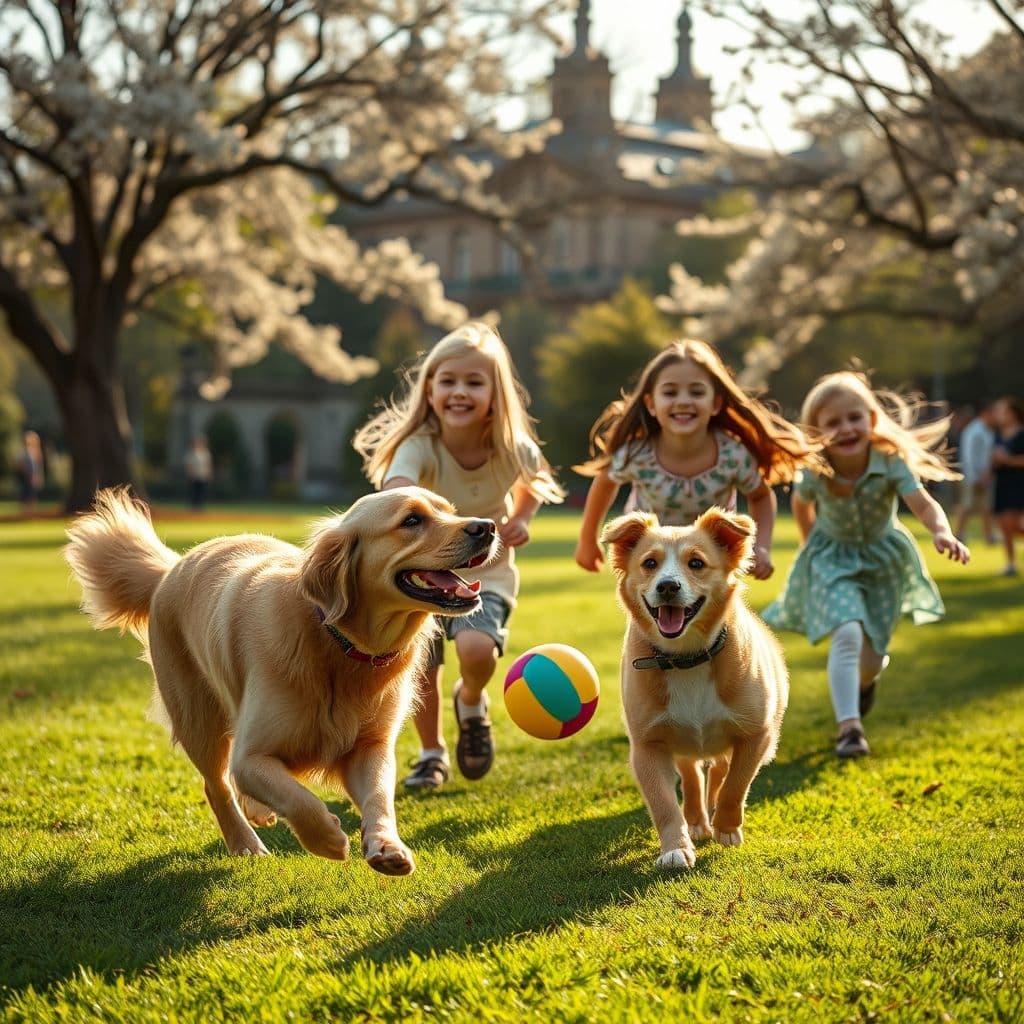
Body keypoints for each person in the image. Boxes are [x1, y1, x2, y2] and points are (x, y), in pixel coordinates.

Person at [353, 321, 564, 788]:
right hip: (420, 578)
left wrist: (522, 518)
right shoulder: (419, 447)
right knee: (421, 665)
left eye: (474, 382)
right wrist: (401, 505)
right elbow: (398, 487)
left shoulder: (511, 447)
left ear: (496, 393)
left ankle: (470, 700)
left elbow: (535, 484)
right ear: (429, 390)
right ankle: (431, 754)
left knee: (474, 648)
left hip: (485, 575)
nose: (459, 392)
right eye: (447, 381)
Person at [762, 370, 970, 760]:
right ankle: (849, 729)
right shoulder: (818, 469)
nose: (846, 428)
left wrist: (942, 533)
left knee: (871, 658)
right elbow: (801, 503)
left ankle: (864, 684)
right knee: (847, 634)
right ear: (818, 430)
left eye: (854, 417)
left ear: (871, 419)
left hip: (882, 561)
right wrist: (809, 543)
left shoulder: (890, 461)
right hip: (833, 559)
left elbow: (923, 503)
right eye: (833, 422)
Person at [574, 338, 815, 579]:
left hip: (707, 560)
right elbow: (605, 482)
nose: (683, 401)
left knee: (717, 617)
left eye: (697, 392)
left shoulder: (732, 456)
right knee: (647, 616)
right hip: (650, 561)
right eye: (670, 392)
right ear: (651, 404)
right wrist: (588, 539)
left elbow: (761, 496)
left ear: (715, 403)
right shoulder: (638, 454)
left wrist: (760, 547)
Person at [953, 402, 998, 544]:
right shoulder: (974, 430)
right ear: (986, 413)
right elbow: (969, 456)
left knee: (987, 507)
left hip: (985, 477)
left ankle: (988, 535)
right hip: (973, 477)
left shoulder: (988, 431)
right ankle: (958, 534)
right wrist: (975, 477)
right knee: (966, 505)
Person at [991, 395, 1024, 576]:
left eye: (1003, 411)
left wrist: (1008, 460)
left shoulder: (1021, 434)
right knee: (1004, 525)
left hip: (1018, 483)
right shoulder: (998, 435)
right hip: (1002, 482)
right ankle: (1011, 564)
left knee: (1014, 524)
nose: (1000, 415)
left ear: (1013, 413)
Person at [16, 429, 44, 514]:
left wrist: (38, 476)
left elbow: (38, 467)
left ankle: (30, 513)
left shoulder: (36, 452)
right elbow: (20, 465)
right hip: (26, 478)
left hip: (32, 478)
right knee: (25, 496)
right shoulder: (24, 452)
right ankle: (25, 513)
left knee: (32, 496)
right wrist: (27, 473)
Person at [184, 434, 212, 510]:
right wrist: (190, 474)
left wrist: (208, 474)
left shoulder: (205, 453)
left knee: (202, 493)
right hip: (194, 476)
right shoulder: (191, 453)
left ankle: (200, 508)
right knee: (194, 493)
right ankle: (193, 508)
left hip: (202, 476)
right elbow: (188, 465)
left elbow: (208, 464)